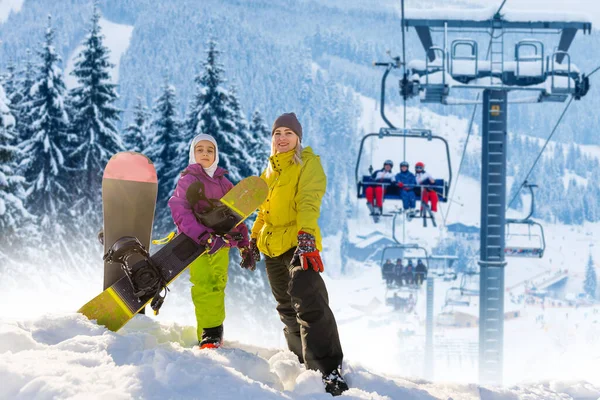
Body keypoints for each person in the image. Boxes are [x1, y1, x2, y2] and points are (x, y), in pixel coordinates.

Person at [248, 112, 348, 396]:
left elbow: (308, 199)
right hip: (272, 246)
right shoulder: (269, 170)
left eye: (288, 133)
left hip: (298, 242)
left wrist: (305, 235)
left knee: (310, 302)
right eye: (277, 133)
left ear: (298, 138)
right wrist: (253, 240)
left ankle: (328, 370)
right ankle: (303, 363)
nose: (282, 138)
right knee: (286, 309)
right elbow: (263, 211)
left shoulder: (308, 163)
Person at [168, 134, 253, 350]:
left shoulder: (225, 183)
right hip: (197, 246)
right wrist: (203, 237)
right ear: (192, 153)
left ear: (216, 155)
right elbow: (180, 210)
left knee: (218, 286)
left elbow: (236, 216)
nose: (205, 153)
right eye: (200, 149)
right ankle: (209, 334)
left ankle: (213, 332)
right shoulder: (188, 179)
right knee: (204, 285)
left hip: (221, 245)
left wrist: (245, 245)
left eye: (210, 150)